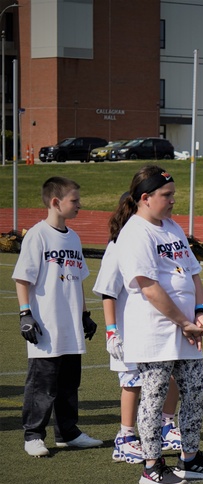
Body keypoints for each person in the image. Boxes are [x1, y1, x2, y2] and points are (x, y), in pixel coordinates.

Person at [114, 165, 203, 484]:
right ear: (145, 198)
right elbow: (149, 287)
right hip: (155, 331)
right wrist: (184, 322)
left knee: (195, 391)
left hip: (185, 329)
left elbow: (193, 274)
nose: (172, 201)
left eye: (173, 194)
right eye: (167, 195)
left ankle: (190, 459)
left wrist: (201, 312)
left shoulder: (173, 227)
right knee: (154, 395)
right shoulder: (135, 232)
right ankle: (151, 466)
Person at [13, 176, 103, 457]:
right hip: (45, 326)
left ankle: (68, 432)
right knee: (42, 384)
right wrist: (25, 314)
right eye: (74, 200)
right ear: (55, 202)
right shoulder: (37, 235)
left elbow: (77, 279)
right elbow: (22, 279)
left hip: (70, 325)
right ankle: (33, 435)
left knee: (68, 383)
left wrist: (85, 313)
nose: (79, 205)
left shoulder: (73, 237)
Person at [94, 194, 183, 464]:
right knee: (132, 383)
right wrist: (112, 331)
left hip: (156, 327)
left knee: (171, 376)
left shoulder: (159, 238)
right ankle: (125, 438)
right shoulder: (120, 243)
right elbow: (108, 292)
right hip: (129, 329)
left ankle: (167, 426)